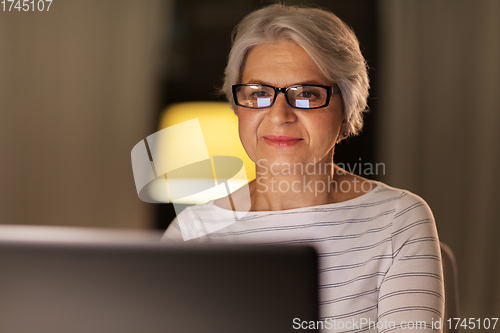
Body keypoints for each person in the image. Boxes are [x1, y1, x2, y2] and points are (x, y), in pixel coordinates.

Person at [163, 4, 444, 332]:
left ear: (346, 110)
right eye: (258, 93)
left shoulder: (398, 221)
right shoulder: (192, 231)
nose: (280, 115)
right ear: (237, 107)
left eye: (307, 94)